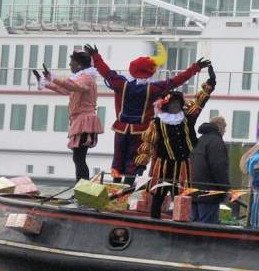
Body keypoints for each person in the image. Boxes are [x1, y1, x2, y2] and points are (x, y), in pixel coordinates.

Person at [84, 45, 205, 184]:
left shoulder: (121, 84)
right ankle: (126, 192)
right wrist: (195, 68)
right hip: (140, 131)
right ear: (150, 72)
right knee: (135, 161)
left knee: (118, 159)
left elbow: (106, 72)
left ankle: (115, 189)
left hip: (121, 129)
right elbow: (176, 80)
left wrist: (95, 56)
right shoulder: (154, 88)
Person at [138, 59, 215, 219]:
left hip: (183, 164)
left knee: (182, 197)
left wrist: (210, 84)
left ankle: (180, 222)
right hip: (163, 164)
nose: (175, 106)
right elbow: (148, 143)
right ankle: (154, 221)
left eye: (178, 103)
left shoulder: (187, 117)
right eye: (172, 103)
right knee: (158, 195)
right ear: (166, 106)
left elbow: (200, 102)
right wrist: (141, 164)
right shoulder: (157, 122)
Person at [38, 48, 103, 180]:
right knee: (78, 157)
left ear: (78, 64)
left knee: (79, 157)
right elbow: (66, 89)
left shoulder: (86, 78)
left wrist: (53, 78)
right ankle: (81, 188)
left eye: (71, 62)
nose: (69, 65)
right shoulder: (81, 78)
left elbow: (72, 86)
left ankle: (82, 188)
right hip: (80, 120)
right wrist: (46, 82)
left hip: (85, 121)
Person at [190, 115, 230, 224]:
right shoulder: (216, 142)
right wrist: (225, 190)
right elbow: (219, 168)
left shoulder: (199, 141)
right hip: (209, 195)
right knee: (207, 227)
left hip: (193, 192)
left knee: (194, 226)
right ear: (219, 127)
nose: (225, 131)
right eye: (224, 127)